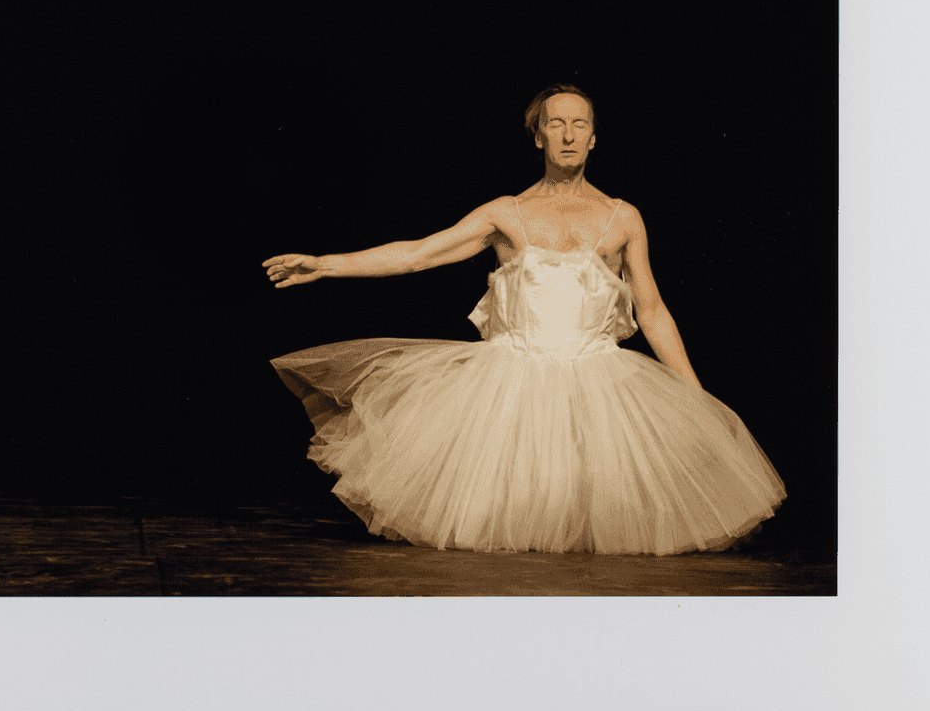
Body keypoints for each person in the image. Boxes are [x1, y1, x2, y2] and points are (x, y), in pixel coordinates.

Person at [262, 84, 785, 554]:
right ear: (537, 137)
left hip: (599, 386)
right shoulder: (505, 213)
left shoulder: (622, 217)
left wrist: (691, 394)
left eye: (579, 123)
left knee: (594, 518)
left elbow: (651, 310)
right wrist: (326, 264)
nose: (568, 134)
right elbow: (418, 254)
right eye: (555, 123)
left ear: (595, 139)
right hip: (510, 383)